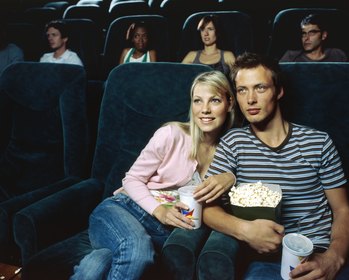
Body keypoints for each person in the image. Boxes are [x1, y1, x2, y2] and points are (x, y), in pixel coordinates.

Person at [166, 52, 349, 280]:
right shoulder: (233, 142)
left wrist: (333, 258)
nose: (250, 99)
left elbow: (343, 210)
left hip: (319, 253)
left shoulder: (318, 142)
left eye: (260, 88)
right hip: (266, 259)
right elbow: (208, 208)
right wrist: (245, 230)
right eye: (242, 90)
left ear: (278, 91)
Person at [70, 70, 236, 280]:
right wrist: (160, 210)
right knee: (137, 252)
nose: (205, 109)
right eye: (197, 101)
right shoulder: (171, 134)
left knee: (100, 264)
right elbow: (131, 179)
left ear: (229, 103)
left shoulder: (229, 151)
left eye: (214, 100)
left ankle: (93, 264)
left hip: (161, 231)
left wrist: (232, 176)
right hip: (122, 209)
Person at [279, 14, 348, 62]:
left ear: (324, 35)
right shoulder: (291, 57)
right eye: (304, 34)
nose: (306, 38)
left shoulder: (337, 55)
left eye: (312, 33)